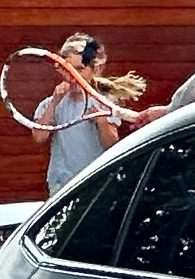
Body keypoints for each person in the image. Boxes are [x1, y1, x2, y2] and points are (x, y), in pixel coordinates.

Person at [30, 32, 140, 195]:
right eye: (68, 69)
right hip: (62, 186)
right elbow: (39, 136)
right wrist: (54, 103)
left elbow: (111, 144)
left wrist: (102, 121)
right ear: (61, 70)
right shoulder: (52, 103)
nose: (73, 76)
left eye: (80, 69)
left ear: (92, 69)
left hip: (95, 183)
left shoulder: (105, 102)